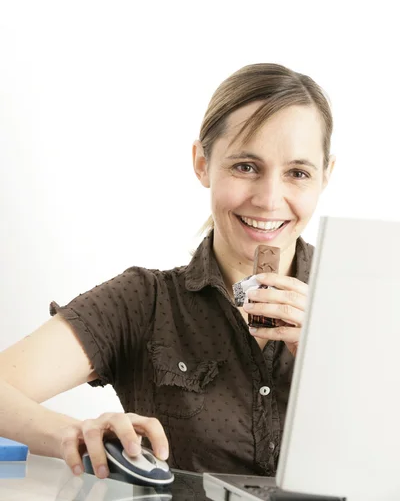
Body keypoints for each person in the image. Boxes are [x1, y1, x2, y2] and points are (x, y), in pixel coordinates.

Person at [0, 63, 335, 479]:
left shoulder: (366, 298)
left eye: (297, 173)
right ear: (201, 163)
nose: (269, 200)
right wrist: (77, 434)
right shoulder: (142, 302)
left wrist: (338, 367)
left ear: (325, 176)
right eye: (245, 166)